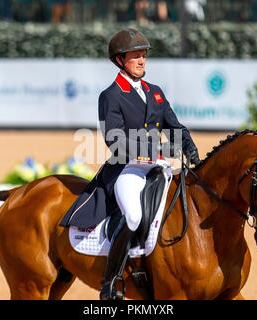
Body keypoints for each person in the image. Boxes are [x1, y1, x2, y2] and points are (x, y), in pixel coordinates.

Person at [97, 28, 201, 300]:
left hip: (158, 169)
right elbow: (114, 139)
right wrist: (158, 147)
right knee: (133, 215)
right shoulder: (111, 95)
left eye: (144, 56)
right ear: (120, 61)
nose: (142, 61)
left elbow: (174, 126)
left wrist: (189, 146)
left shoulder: (154, 92)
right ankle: (110, 281)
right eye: (135, 57)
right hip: (127, 169)